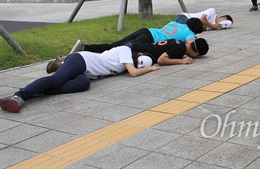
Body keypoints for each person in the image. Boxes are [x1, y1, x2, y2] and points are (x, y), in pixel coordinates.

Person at [0, 45, 160, 113]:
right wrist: (151, 68)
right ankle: (18, 96)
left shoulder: (123, 65)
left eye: (140, 65)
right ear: (139, 54)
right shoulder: (126, 50)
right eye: (139, 62)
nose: (137, 65)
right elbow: (133, 72)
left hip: (85, 71)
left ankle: (39, 91)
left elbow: (131, 70)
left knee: (83, 84)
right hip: (82, 60)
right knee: (56, 81)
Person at [48, 38, 210, 73]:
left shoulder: (179, 41)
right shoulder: (179, 50)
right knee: (109, 52)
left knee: (107, 52)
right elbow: (162, 60)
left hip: (141, 45)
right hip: (137, 50)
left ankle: (69, 58)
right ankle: (82, 50)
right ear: (195, 53)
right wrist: (182, 62)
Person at [68, 18, 203, 56]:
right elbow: (191, 45)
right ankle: (86, 51)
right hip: (148, 41)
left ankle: (85, 47)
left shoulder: (175, 23)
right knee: (117, 50)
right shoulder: (189, 34)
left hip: (146, 31)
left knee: (115, 44)